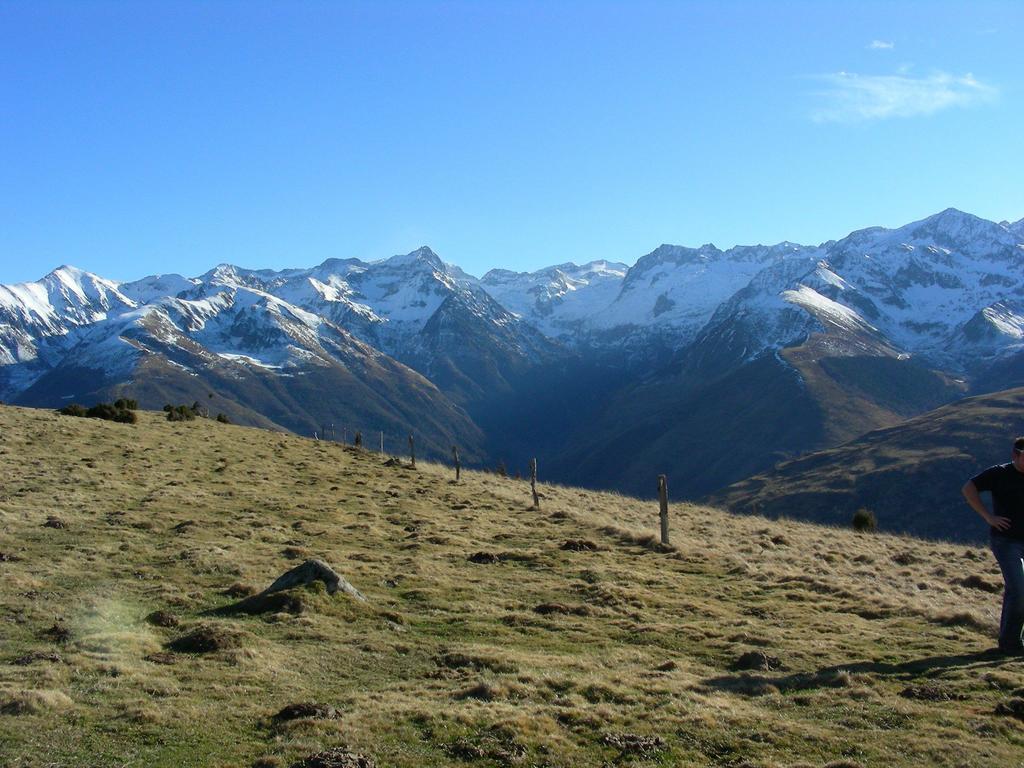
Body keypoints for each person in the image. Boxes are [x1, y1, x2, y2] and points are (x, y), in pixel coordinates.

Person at [962, 437, 1024, 655]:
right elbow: (969, 488)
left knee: (1017, 591)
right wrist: (988, 517)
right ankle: (1011, 643)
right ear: (1015, 455)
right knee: (1018, 589)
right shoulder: (1000, 473)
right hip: (1006, 541)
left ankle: (1011, 640)